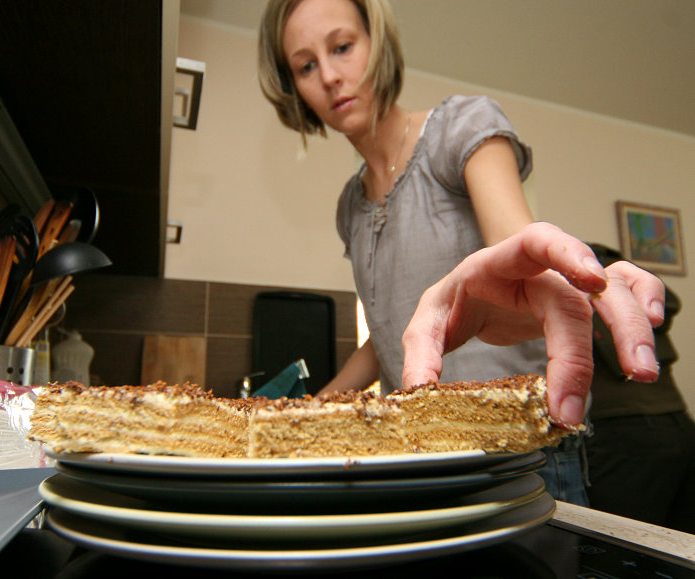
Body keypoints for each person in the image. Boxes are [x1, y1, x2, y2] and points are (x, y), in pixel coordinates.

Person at [257, 0, 664, 503]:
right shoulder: (350, 207)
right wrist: (312, 407)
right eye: (305, 66)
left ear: (378, 43)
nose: (330, 77)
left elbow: (519, 256)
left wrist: (574, 279)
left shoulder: (461, 126)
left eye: (342, 47)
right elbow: (389, 332)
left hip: (520, 448)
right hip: (419, 450)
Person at [581, 243, 694, 533]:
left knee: (624, 540)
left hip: (623, 433)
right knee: (678, 540)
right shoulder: (640, 289)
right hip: (677, 423)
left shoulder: (592, 289)